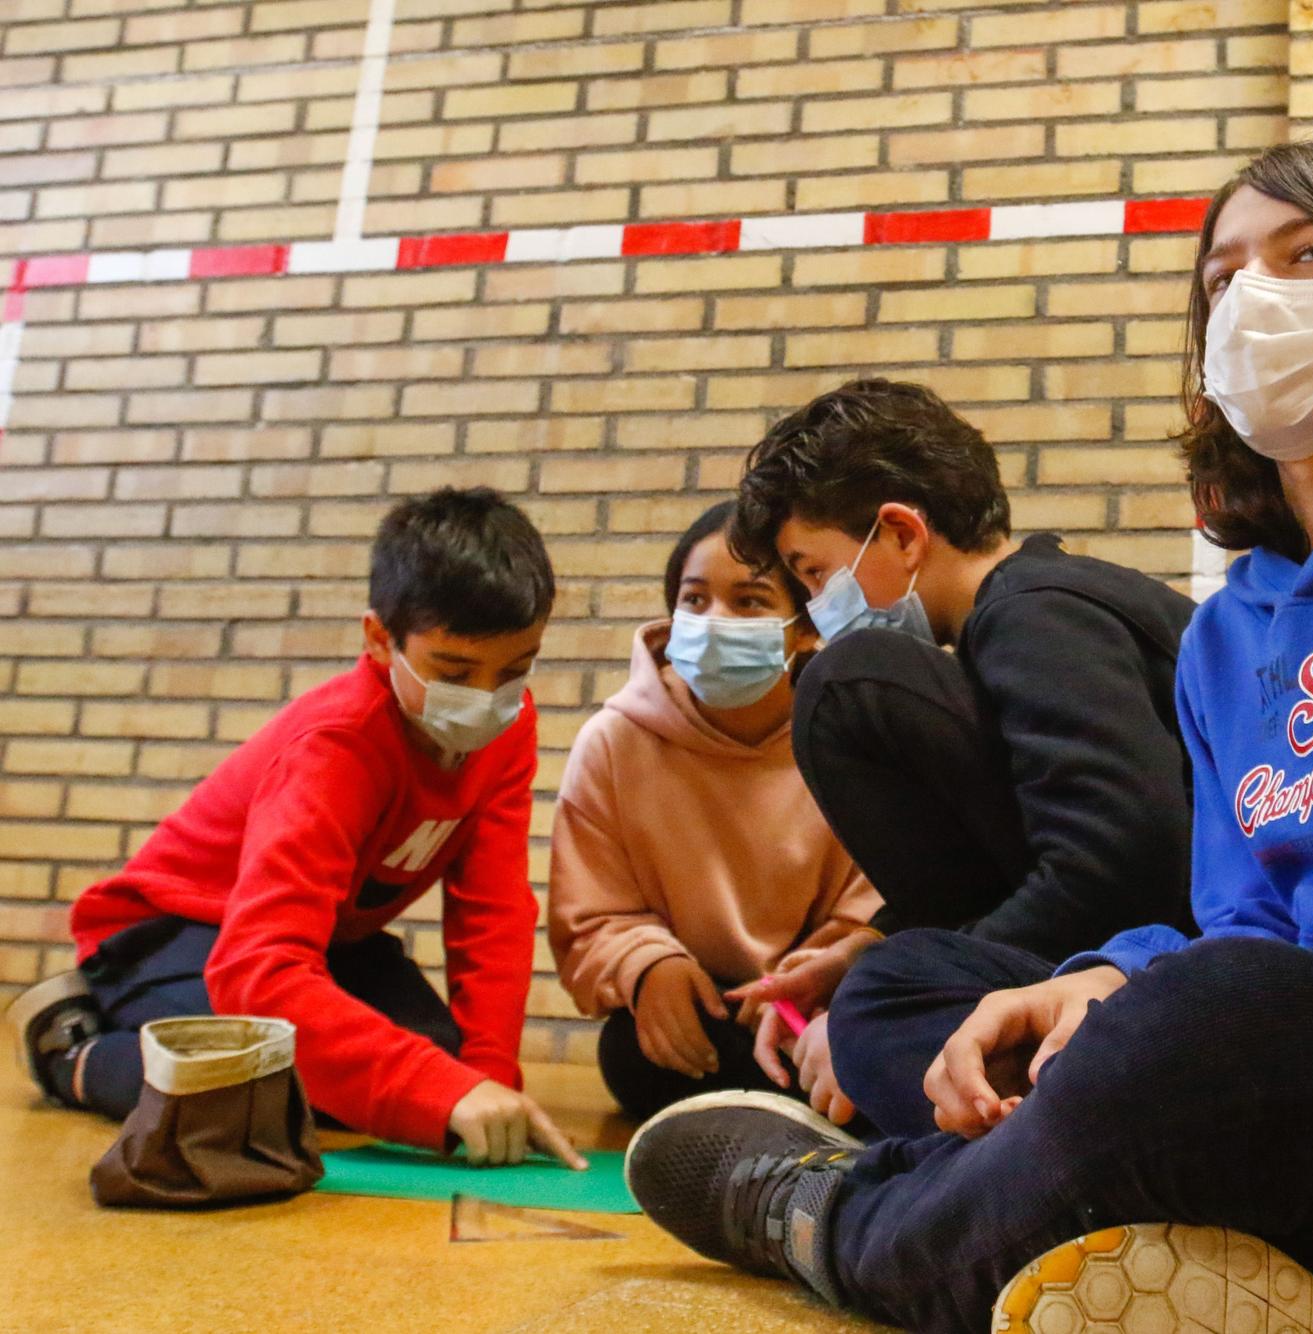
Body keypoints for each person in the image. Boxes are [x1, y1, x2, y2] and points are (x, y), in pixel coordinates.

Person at [624, 140, 1313, 1331]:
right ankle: (1276, 1258)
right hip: (1290, 1060)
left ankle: (838, 1219)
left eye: (1306, 257)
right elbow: (1237, 910)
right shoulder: (1226, 631)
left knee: (1224, 1019)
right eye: (1220, 278)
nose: (1251, 299)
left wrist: (1171, 1014)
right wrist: (1103, 977)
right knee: (905, 994)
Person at [7, 487, 584, 1169]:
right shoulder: (334, 747)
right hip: (176, 931)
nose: (486, 700)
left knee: (440, 1065)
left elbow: (492, 913)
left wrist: (487, 1078)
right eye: (454, 672)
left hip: (320, 939)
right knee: (268, 1085)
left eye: (514, 671)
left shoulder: (508, 729)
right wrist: (437, 1094)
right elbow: (256, 968)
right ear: (379, 640)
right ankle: (76, 1052)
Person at [724, 378, 1198, 1137]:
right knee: (872, 984)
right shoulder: (1021, 619)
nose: (818, 605)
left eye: (815, 571)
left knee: (844, 686)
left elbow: (1114, 861)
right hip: (1139, 950)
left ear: (904, 534)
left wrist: (912, 982)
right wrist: (869, 947)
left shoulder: (1037, 614)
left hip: (1173, 961)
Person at [547, 500, 880, 1124]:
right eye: (694, 601)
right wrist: (647, 966)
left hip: (810, 1008)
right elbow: (590, 915)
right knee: (633, 1054)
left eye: (749, 602)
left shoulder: (850, 742)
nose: (713, 620)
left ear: (806, 628)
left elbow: (879, 909)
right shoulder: (614, 743)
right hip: (699, 1008)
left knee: (871, 1055)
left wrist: (807, 978)